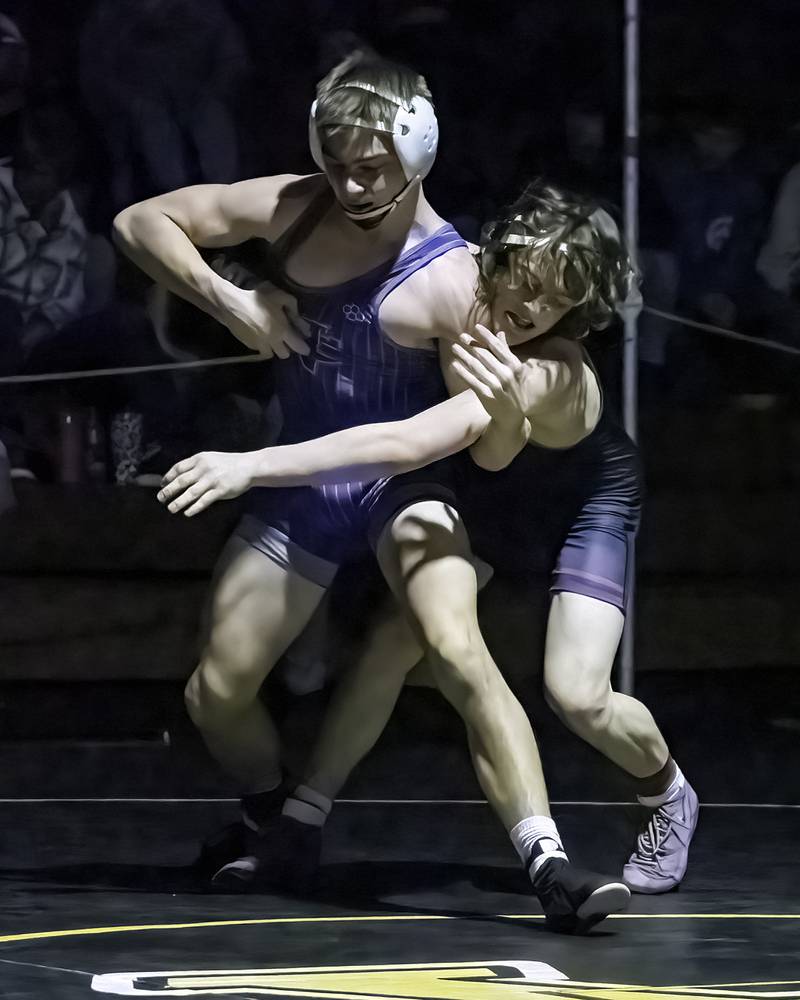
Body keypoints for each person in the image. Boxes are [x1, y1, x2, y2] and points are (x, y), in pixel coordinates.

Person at [115, 52, 629, 933]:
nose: (352, 183)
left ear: (418, 151)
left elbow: (467, 446)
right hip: (307, 489)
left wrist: (507, 412)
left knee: (454, 646)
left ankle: (548, 861)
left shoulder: (464, 280)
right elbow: (139, 222)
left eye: (373, 167)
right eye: (338, 161)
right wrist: (228, 300)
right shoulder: (293, 206)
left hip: (409, 487)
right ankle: (274, 816)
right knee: (215, 692)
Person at [160, 182, 699, 897]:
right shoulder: (466, 285)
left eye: (558, 301)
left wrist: (255, 466)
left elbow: (413, 440)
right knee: (397, 639)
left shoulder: (548, 368)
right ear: (503, 253)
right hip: (488, 497)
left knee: (577, 696)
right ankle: (299, 822)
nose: (535, 307)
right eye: (529, 282)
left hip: (582, 504)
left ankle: (668, 793)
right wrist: (255, 286)